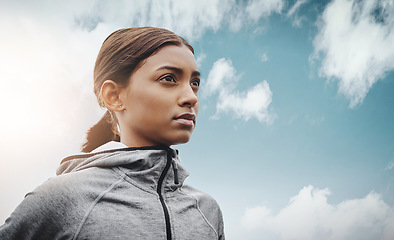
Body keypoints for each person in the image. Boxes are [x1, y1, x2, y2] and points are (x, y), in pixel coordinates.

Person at [0, 27, 225, 240]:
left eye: (194, 83)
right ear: (114, 96)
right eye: (168, 78)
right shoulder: (62, 197)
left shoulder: (207, 210)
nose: (191, 97)